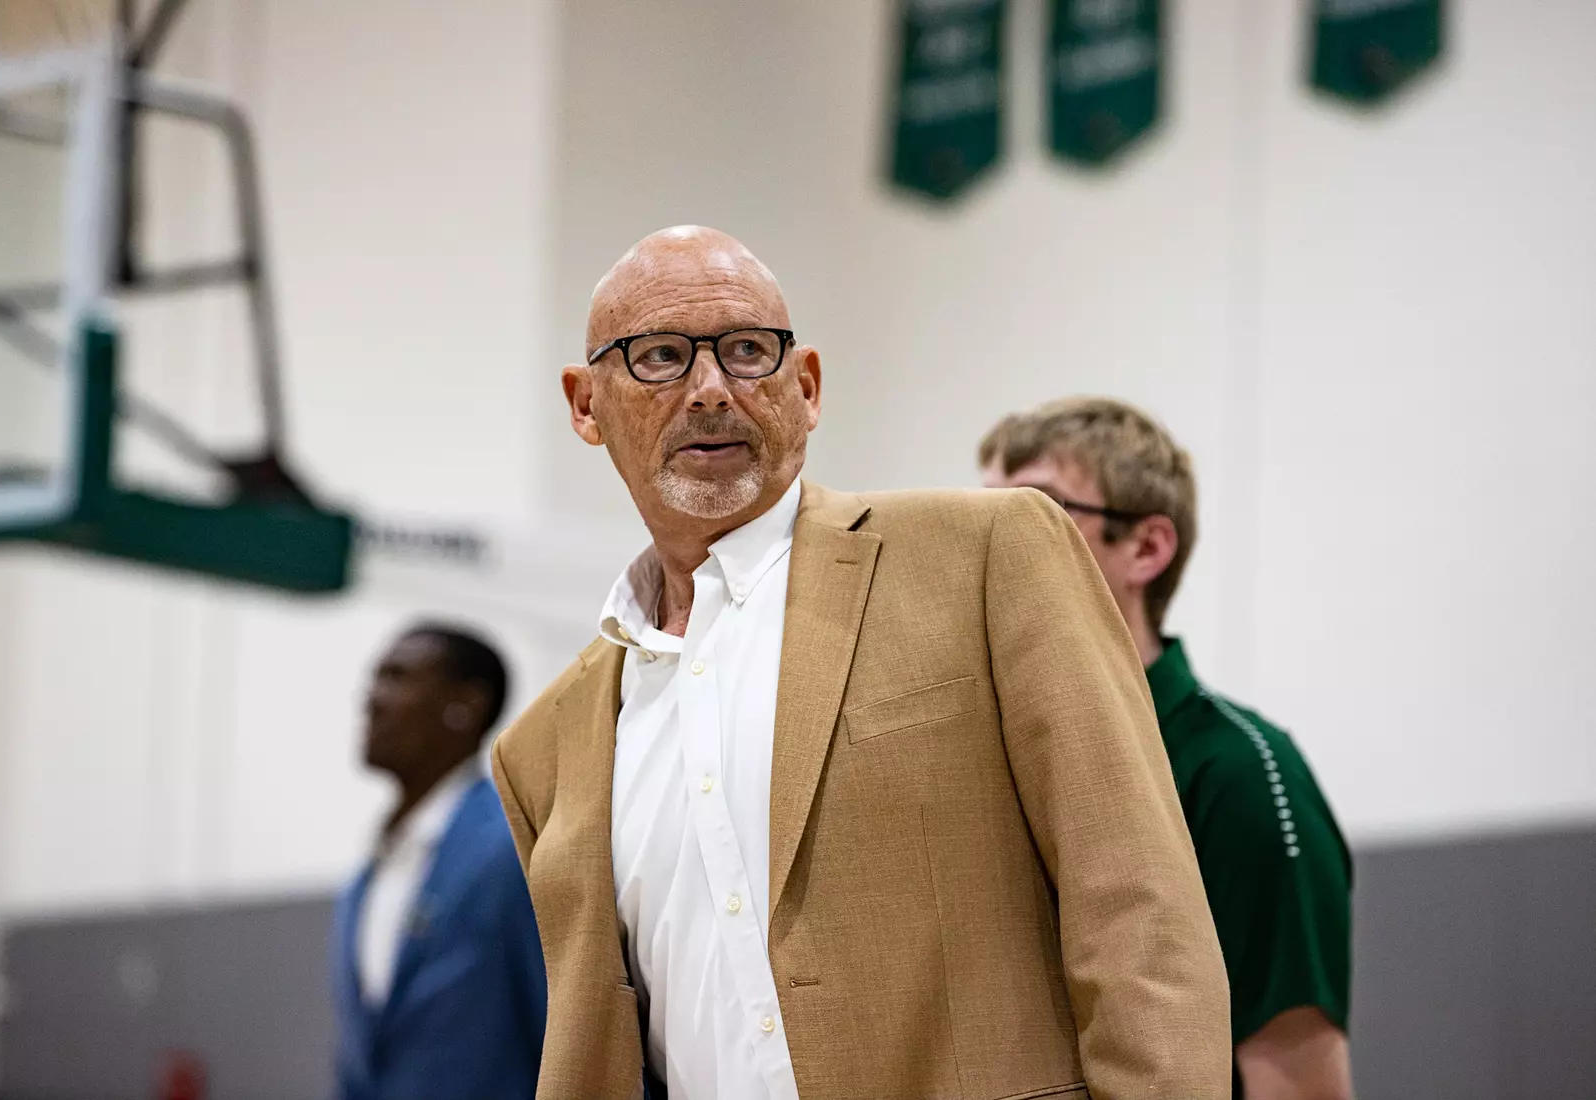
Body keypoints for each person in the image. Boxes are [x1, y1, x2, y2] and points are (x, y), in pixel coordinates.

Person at [490, 225, 1231, 1100]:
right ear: (585, 405)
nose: (711, 390)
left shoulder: (985, 556)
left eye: (746, 351)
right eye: (658, 356)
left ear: (805, 387)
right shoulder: (544, 750)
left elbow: (1142, 921)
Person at [980, 398, 1354, 1100]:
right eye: (986, 523)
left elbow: (1299, 1083)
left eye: (1038, 515)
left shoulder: (1242, 773)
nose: (994, 554)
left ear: (1146, 548)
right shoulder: (980, 762)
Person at [331, 624, 546, 1100]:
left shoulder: (512, 852)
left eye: (397, 677)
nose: (372, 699)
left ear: (463, 707)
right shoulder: (366, 881)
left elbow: (563, 1035)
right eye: (375, 679)